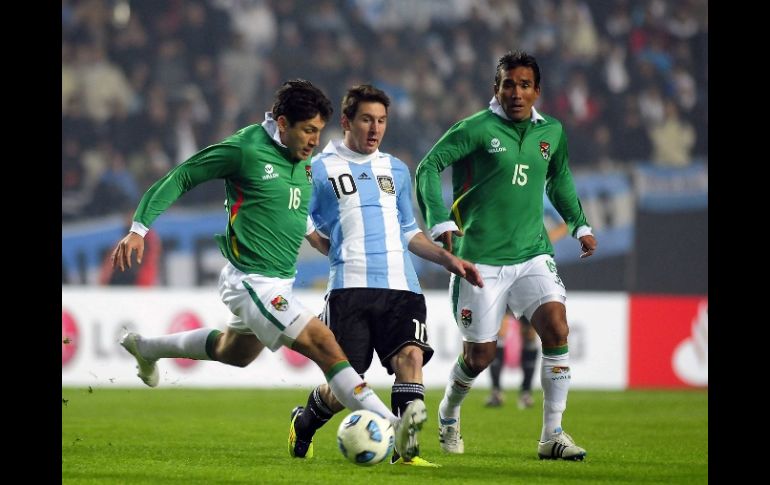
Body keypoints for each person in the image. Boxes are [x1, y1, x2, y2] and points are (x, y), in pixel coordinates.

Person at [111, 79, 427, 461]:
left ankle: (145, 348)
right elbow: (183, 175)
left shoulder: (306, 161)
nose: (314, 141)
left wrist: (320, 240)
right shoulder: (245, 149)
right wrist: (139, 229)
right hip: (251, 281)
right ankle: (389, 425)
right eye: (307, 131)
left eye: (318, 131)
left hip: (279, 279)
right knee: (325, 344)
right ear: (282, 123)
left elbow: (293, 208)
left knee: (235, 352)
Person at [414, 51, 597, 461]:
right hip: (479, 259)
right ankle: (449, 412)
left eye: (525, 85)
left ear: (537, 91)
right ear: (496, 89)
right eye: (508, 84)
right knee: (480, 357)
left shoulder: (551, 131)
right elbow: (428, 167)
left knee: (556, 328)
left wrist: (579, 224)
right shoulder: (476, 129)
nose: (517, 92)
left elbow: (560, 178)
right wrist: (440, 221)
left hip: (532, 252)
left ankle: (553, 434)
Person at [290, 84, 484, 467]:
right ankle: (306, 419)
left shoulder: (396, 169)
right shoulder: (318, 168)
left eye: (381, 120)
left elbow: (409, 232)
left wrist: (447, 259)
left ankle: (407, 453)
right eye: (366, 119)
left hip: (402, 287)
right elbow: (298, 216)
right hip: (350, 288)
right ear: (346, 121)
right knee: (348, 380)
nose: (375, 128)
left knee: (410, 357)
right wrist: (322, 244)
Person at [485, 199, 568, 409]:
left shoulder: (541, 193)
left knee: (529, 332)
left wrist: (542, 241)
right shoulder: (501, 186)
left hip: (530, 271)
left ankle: (525, 392)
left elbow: (565, 224)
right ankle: (496, 391)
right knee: (500, 329)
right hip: (501, 269)